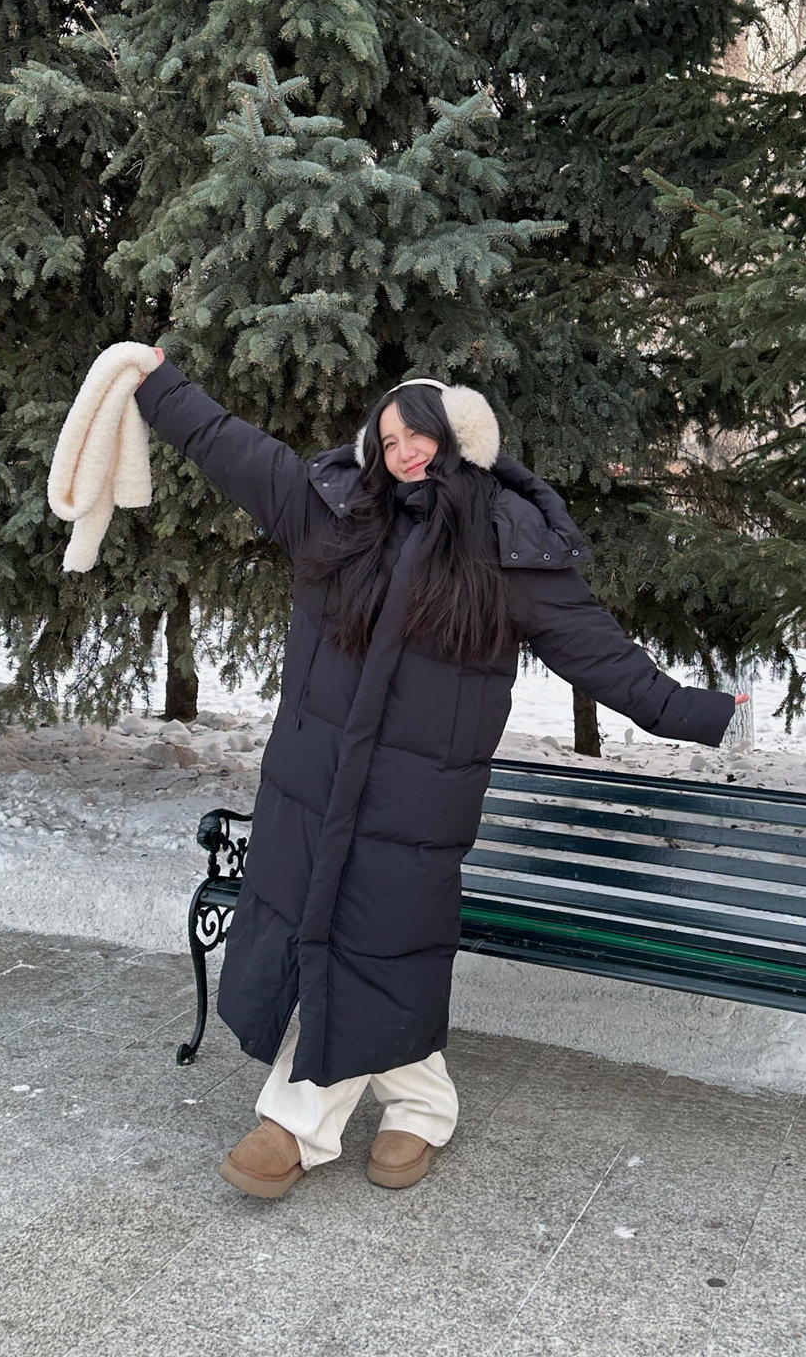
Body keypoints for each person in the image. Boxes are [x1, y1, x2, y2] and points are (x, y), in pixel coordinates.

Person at [133, 350, 746, 1198]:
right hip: (312, 790)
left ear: (458, 437)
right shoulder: (335, 517)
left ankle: (293, 1126)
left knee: (364, 943)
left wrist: (707, 714)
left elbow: (607, 661)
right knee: (360, 946)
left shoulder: (508, 547)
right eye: (387, 441)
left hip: (413, 806)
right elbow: (233, 448)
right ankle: (421, 1108)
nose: (404, 452)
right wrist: (157, 385)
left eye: (417, 433)